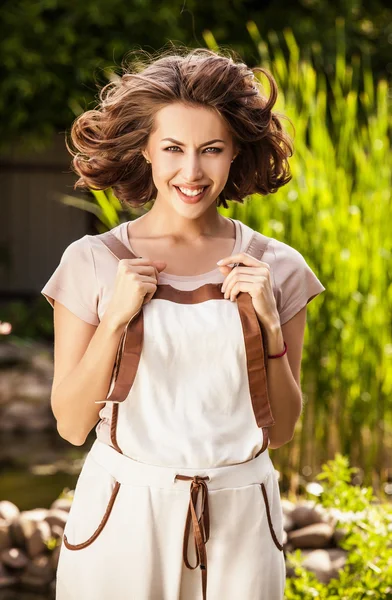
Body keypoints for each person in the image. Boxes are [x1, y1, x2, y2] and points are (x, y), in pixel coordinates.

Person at [41, 47, 326, 600]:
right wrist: (116, 319)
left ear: (235, 152)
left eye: (211, 150)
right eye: (172, 148)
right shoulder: (92, 261)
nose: (191, 172)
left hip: (243, 517)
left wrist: (268, 325)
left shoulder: (279, 268)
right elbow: (72, 424)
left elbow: (284, 430)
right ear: (145, 150)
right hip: (122, 518)